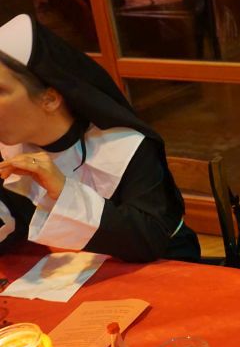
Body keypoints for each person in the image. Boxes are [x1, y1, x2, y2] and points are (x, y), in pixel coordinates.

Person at [0, 14, 200, 262]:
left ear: (50, 99)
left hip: (161, 265)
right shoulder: (8, 150)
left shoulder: (126, 146)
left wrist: (62, 190)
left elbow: (149, 240)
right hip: (67, 273)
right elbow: (12, 228)